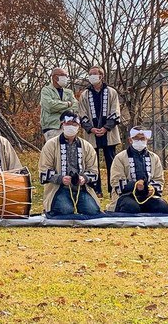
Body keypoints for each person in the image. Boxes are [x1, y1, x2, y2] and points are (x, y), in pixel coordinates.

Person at [38, 111, 101, 217]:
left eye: (74, 124)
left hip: (82, 188)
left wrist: (84, 178)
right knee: (64, 210)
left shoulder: (87, 146)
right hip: (60, 189)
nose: (71, 127)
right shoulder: (50, 145)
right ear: (62, 125)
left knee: (92, 211)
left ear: (79, 127)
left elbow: (94, 171)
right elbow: (43, 170)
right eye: (68, 124)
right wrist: (61, 179)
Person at [106, 127, 168, 213]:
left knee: (164, 208)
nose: (139, 141)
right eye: (136, 138)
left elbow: (159, 180)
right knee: (131, 208)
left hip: (148, 196)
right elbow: (116, 181)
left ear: (146, 140)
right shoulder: (120, 158)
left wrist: (151, 189)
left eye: (142, 139)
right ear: (130, 140)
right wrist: (135, 186)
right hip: (126, 195)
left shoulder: (154, 158)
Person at [79, 65, 120, 198]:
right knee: (92, 162)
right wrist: (91, 128)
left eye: (94, 74)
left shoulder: (112, 92)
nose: (92, 76)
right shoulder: (85, 94)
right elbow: (82, 113)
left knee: (111, 162)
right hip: (92, 134)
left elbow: (115, 111)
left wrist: (106, 127)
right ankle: (96, 190)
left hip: (109, 133)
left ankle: (112, 189)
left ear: (101, 76)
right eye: (90, 74)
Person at [40, 68, 79, 142]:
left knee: (68, 151)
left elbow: (76, 106)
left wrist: (58, 106)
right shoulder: (46, 90)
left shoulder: (68, 92)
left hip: (68, 126)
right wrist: (67, 104)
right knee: (54, 151)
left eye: (66, 76)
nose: (65, 78)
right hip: (52, 127)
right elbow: (50, 106)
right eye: (62, 75)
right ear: (54, 77)